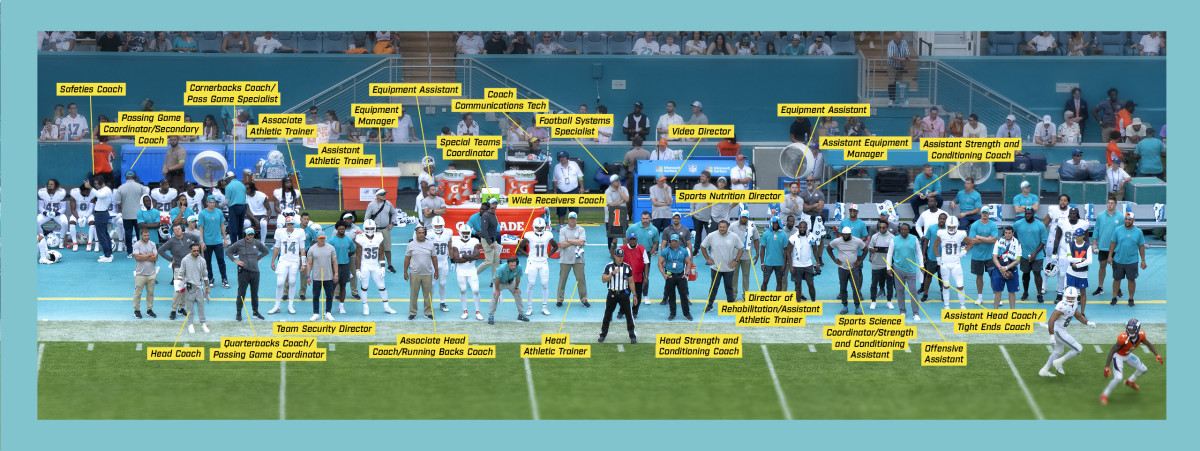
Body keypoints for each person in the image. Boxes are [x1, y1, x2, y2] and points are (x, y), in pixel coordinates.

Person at [1101, 319, 1163, 404]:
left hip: (1127, 355)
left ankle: (1129, 381)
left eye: (1133, 329)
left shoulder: (1141, 335)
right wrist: (1107, 366)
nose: (1130, 330)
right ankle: (1104, 394)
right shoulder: (1123, 338)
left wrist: (1157, 354)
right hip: (1118, 356)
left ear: (1137, 329)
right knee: (1118, 378)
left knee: (1143, 369)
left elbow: (1148, 344)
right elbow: (1112, 351)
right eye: (1129, 328)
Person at [1038, 287, 1096, 378]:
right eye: (1068, 297)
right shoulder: (1062, 306)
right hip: (1058, 331)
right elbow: (1050, 321)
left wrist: (1088, 322)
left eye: (1072, 297)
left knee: (1058, 351)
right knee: (1078, 348)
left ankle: (1044, 370)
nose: (1070, 299)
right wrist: (1052, 336)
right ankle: (1058, 362)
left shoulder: (1074, 303)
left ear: (1076, 297)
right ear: (1065, 296)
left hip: (1061, 331)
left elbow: (1079, 316)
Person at [223, 226, 268, 321]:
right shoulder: (239, 244)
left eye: (252, 234)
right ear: (245, 235)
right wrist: (236, 261)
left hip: (255, 272)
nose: (251, 236)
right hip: (243, 272)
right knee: (241, 293)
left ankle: (255, 312)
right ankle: (238, 313)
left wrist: (258, 257)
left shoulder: (257, 243)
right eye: (249, 234)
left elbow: (266, 251)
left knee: (254, 294)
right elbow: (228, 252)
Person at [267, 214, 306, 315]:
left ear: (293, 224)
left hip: (294, 260)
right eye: (288, 224)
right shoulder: (280, 232)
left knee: (292, 281)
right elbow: (276, 247)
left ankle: (290, 305)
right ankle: (277, 305)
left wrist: (304, 263)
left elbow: (302, 249)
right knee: (280, 282)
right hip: (283, 260)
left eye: (291, 224)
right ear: (286, 224)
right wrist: (272, 261)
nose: (290, 225)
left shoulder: (299, 232)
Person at [519, 217, 558, 316]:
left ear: (544, 227)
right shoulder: (529, 235)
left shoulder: (548, 235)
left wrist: (548, 255)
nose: (540, 229)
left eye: (541, 227)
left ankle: (544, 307)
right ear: (533, 227)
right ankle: (529, 307)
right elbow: (519, 247)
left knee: (545, 284)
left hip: (543, 263)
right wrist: (528, 255)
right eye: (538, 227)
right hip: (533, 263)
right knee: (531, 284)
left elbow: (556, 246)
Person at [701, 220, 742, 313]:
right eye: (720, 227)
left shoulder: (734, 236)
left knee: (729, 287)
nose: (722, 229)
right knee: (714, 287)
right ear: (718, 227)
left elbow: (741, 249)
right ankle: (710, 305)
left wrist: (735, 260)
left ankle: (730, 305)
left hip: (729, 268)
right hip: (716, 268)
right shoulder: (711, 235)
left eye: (724, 227)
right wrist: (707, 259)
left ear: (727, 227)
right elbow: (703, 246)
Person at [599, 249, 637, 344]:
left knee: (629, 315)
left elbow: (631, 282)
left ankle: (632, 335)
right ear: (614, 256)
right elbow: (603, 279)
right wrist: (612, 274)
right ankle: (603, 334)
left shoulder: (627, 267)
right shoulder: (609, 266)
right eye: (618, 256)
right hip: (612, 293)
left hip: (624, 294)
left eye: (621, 256)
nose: (620, 258)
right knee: (607, 314)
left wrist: (635, 295)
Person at [1107, 212, 1146, 307]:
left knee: (1131, 280)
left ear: (1133, 220)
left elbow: (1141, 247)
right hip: (1118, 260)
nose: (1127, 221)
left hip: (1132, 261)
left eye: (1129, 219)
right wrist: (1110, 256)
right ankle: (1114, 298)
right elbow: (1113, 243)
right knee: (1116, 279)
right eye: (1126, 219)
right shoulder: (1118, 230)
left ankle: (1131, 298)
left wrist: (1143, 260)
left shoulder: (1138, 232)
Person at [1051, 206, 1089, 301]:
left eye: (1074, 213)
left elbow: (1086, 239)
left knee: (1078, 272)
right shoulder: (1062, 223)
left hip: (1078, 251)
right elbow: (1057, 237)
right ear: (1068, 214)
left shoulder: (1083, 224)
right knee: (1062, 273)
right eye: (1071, 213)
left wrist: (1086, 252)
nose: (1072, 215)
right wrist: (1054, 251)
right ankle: (1060, 292)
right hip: (1064, 250)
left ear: (1078, 215)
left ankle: (1078, 293)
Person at [887, 223, 923, 318]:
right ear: (899, 230)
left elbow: (919, 253)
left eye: (905, 229)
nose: (903, 231)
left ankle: (916, 313)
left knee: (913, 291)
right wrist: (888, 267)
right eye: (901, 229)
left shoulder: (914, 239)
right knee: (899, 290)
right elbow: (890, 254)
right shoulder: (894, 240)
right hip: (898, 268)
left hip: (911, 269)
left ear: (909, 230)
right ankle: (902, 311)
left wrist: (921, 265)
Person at [828, 226, 867, 315]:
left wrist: (860, 261)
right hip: (842, 269)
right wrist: (835, 260)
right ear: (841, 234)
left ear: (850, 234)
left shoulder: (857, 241)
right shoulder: (837, 241)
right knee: (843, 288)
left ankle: (857, 307)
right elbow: (829, 248)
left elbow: (865, 249)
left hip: (853, 269)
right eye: (843, 235)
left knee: (855, 289)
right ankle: (845, 306)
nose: (845, 236)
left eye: (847, 235)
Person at [449, 223, 484, 321]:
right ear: (460, 232)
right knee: (463, 290)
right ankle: (465, 311)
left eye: (467, 232)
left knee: (476, 290)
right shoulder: (456, 242)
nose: (465, 234)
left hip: (471, 270)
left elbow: (477, 256)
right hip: (461, 270)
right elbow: (456, 259)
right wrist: (470, 257)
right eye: (463, 232)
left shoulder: (474, 241)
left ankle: (477, 311)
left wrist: (464, 256)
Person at [1013, 208, 1049, 303]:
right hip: (1024, 254)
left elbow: (1044, 241)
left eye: (1029, 213)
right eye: (1026, 213)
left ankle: (1039, 294)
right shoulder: (1018, 223)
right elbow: (1009, 231)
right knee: (1025, 273)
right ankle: (1025, 293)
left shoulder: (1040, 225)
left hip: (1038, 254)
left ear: (1033, 213)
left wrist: (1035, 253)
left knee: (1037, 273)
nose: (1027, 215)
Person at [555, 212, 590, 309]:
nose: (572, 220)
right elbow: (562, 245)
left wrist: (569, 240)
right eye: (570, 218)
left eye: (574, 218)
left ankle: (584, 299)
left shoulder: (581, 229)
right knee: (562, 280)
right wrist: (576, 241)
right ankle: (559, 299)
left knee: (581, 280)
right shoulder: (563, 230)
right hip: (565, 259)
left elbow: (582, 242)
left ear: (576, 219)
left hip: (579, 259)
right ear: (568, 219)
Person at [934, 216, 970, 309]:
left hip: (956, 263)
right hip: (945, 263)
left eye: (953, 227)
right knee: (946, 285)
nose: (951, 228)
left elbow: (971, 242)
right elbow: (935, 245)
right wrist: (938, 257)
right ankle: (946, 305)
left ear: (956, 226)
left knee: (960, 285)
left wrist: (964, 251)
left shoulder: (960, 234)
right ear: (946, 226)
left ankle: (962, 305)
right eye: (949, 227)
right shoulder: (941, 233)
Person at [967, 207, 999, 305]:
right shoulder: (975, 225)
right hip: (977, 256)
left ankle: (996, 297)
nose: (985, 215)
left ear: (989, 214)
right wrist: (987, 239)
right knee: (979, 277)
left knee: (993, 277)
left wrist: (979, 237)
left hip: (990, 256)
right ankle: (980, 297)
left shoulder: (993, 225)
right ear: (981, 214)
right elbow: (972, 240)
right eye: (983, 213)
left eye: (987, 213)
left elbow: (994, 240)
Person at [1092, 197, 1122, 299]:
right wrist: (1094, 244)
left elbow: (1122, 232)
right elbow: (1096, 230)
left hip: (1116, 248)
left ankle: (1118, 288)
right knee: (1102, 267)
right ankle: (1100, 287)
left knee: (1117, 269)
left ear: (1115, 204)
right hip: (1103, 247)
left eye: (1112, 203)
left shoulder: (1121, 217)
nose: (1110, 205)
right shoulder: (1100, 216)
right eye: (1108, 203)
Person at [659, 234, 693, 321]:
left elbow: (688, 263)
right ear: (670, 241)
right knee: (671, 296)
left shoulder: (684, 251)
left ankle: (687, 314)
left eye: (675, 241)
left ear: (678, 241)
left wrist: (687, 274)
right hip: (670, 276)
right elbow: (660, 263)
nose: (674, 242)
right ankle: (672, 314)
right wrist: (664, 274)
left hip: (681, 275)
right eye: (672, 241)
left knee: (684, 296)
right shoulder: (665, 251)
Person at [197, 195, 229, 288]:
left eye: (214, 202)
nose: (212, 204)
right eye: (210, 202)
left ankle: (224, 278)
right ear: (206, 203)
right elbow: (201, 228)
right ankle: (210, 278)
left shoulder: (219, 212)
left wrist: (225, 239)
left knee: (221, 261)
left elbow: (222, 226)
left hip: (218, 241)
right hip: (207, 242)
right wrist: (202, 242)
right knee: (207, 262)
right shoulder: (202, 214)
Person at [306, 231, 338, 321]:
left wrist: (336, 274)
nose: (322, 240)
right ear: (317, 239)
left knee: (329, 295)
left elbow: (335, 261)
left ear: (325, 238)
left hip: (328, 276)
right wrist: (308, 276)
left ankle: (328, 312)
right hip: (317, 277)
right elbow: (309, 263)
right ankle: (316, 313)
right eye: (320, 238)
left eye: (323, 238)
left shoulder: (331, 248)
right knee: (316, 295)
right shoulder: (312, 249)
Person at [364, 188, 398, 273]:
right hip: (375, 230)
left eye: (385, 194)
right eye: (382, 194)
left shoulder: (388, 203)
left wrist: (392, 223)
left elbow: (394, 213)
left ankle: (389, 265)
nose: (384, 196)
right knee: (375, 248)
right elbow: (366, 218)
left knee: (387, 248)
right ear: (377, 195)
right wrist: (369, 229)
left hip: (385, 229)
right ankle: (375, 265)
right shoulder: (371, 205)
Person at [180, 244, 211, 334]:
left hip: (199, 287)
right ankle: (190, 324)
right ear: (190, 250)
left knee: (201, 307)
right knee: (190, 308)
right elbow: (181, 274)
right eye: (194, 251)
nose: (196, 252)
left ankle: (203, 323)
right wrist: (179, 286)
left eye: (197, 250)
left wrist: (207, 287)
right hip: (189, 288)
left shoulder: (202, 260)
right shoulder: (185, 260)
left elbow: (205, 275)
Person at [917, 210, 948, 302]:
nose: (942, 220)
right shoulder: (931, 228)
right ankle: (925, 294)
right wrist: (923, 254)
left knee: (942, 277)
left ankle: (943, 293)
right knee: (928, 276)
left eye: (944, 219)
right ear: (938, 219)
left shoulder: (949, 229)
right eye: (940, 218)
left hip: (944, 258)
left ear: (946, 220)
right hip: (932, 257)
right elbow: (926, 241)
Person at [991, 226, 1023, 309]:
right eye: (1006, 233)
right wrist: (1001, 268)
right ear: (1004, 233)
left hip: (1012, 270)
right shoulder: (998, 241)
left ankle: (1012, 312)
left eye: (1009, 233)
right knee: (997, 292)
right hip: (999, 270)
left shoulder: (1018, 243)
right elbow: (995, 257)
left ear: (1013, 233)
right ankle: (995, 311)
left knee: (1012, 292)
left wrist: (1006, 268)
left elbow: (1018, 259)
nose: (1007, 235)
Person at [489, 257, 529, 325]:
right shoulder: (501, 268)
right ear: (508, 264)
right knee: (495, 297)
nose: (513, 267)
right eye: (511, 265)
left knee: (518, 295)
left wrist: (516, 288)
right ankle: (491, 316)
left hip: (510, 282)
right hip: (500, 283)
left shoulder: (519, 267)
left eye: (514, 265)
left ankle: (521, 314)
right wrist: (497, 290)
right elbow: (496, 280)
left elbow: (518, 278)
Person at [427, 216, 455, 313]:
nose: (438, 228)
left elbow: (450, 247)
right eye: (436, 226)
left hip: (443, 261)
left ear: (443, 225)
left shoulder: (448, 233)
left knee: (443, 283)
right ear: (433, 226)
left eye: (440, 226)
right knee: (432, 284)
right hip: (432, 261)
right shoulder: (429, 233)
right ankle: (429, 303)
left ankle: (442, 302)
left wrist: (453, 261)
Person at [866, 219, 895, 310]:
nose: (882, 229)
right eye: (880, 228)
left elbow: (895, 250)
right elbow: (870, 248)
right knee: (874, 284)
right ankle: (873, 301)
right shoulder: (874, 237)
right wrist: (873, 251)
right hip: (876, 264)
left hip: (888, 265)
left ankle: (889, 301)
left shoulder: (892, 237)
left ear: (887, 227)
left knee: (889, 284)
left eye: (883, 227)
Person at [618, 234, 649, 317]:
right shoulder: (622, 249)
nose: (632, 241)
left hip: (638, 278)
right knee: (624, 296)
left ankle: (634, 312)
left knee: (638, 296)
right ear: (628, 240)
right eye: (631, 239)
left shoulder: (642, 249)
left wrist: (646, 277)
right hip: (625, 279)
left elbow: (646, 263)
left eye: (634, 239)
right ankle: (621, 311)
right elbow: (618, 261)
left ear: (637, 240)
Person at [800, 176, 827, 270]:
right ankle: (806, 258)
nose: (809, 182)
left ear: (814, 182)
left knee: (821, 239)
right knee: (805, 239)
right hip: (806, 219)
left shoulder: (820, 194)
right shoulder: (802, 194)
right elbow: (803, 208)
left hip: (817, 218)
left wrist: (809, 206)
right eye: (807, 181)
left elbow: (820, 208)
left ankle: (819, 257)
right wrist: (814, 205)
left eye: (811, 180)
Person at [552, 151, 585, 225]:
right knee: (561, 211)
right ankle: (561, 226)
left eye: (563, 157)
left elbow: (580, 176)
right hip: (561, 192)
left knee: (574, 211)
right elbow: (555, 181)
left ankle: (573, 226)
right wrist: (554, 192)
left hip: (573, 191)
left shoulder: (574, 164)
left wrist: (582, 188)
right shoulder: (556, 167)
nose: (562, 159)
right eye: (560, 157)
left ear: (567, 157)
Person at [131, 229, 159, 319]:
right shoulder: (137, 244)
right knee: (137, 293)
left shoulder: (153, 244)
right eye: (145, 235)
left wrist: (143, 257)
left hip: (151, 273)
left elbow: (155, 258)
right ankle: (137, 310)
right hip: (140, 273)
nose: (146, 237)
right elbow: (137, 257)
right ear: (141, 235)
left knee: (150, 293)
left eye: (148, 235)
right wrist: (148, 255)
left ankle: (149, 310)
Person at [788, 220, 818, 302]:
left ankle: (813, 302)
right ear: (798, 228)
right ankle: (798, 303)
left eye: (804, 227)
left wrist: (818, 263)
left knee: (811, 284)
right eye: (800, 227)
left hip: (808, 265)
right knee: (797, 285)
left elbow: (815, 249)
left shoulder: (811, 236)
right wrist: (791, 266)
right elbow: (788, 252)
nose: (802, 229)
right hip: (796, 265)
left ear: (806, 228)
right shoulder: (793, 237)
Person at [37, 179, 69, 249]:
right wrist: (45, 213)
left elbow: (63, 208)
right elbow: (40, 207)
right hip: (46, 213)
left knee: (65, 222)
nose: (49, 185)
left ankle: (61, 240)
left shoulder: (61, 192)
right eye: (48, 184)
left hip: (57, 214)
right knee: (37, 221)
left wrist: (56, 213)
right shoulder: (42, 192)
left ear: (56, 186)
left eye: (51, 184)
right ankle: (42, 240)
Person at [759, 218, 789, 292]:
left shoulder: (784, 235)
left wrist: (784, 264)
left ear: (779, 223)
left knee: (779, 282)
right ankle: (762, 299)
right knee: (765, 281)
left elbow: (785, 250)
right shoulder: (766, 234)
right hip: (768, 263)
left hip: (780, 263)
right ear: (771, 223)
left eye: (776, 223)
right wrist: (762, 263)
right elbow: (762, 249)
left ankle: (777, 300)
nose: (775, 225)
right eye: (773, 223)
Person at [475, 199, 501, 284]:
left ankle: (494, 280)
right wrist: (490, 243)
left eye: (496, 204)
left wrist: (493, 241)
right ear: (489, 205)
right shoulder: (486, 216)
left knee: (496, 260)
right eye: (493, 204)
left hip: (494, 240)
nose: (494, 206)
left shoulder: (493, 215)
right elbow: (484, 231)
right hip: (487, 240)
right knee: (489, 261)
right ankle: (473, 275)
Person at [690, 171, 716, 251]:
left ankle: (711, 251)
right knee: (697, 234)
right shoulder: (696, 187)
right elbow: (692, 200)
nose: (701, 178)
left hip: (709, 217)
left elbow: (715, 203)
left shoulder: (713, 188)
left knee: (710, 235)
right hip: (697, 216)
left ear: (707, 178)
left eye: (703, 176)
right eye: (701, 176)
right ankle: (696, 250)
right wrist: (692, 211)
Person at [605, 174, 631, 249]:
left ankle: (626, 250)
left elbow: (627, 199)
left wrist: (620, 191)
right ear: (612, 182)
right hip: (611, 217)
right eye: (616, 180)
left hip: (623, 216)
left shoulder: (623, 189)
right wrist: (621, 201)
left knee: (625, 235)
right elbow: (611, 204)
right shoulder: (608, 191)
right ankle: (612, 251)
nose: (618, 182)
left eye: (618, 180)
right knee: (612, 236)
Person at [886, 32, 910, 106]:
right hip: (892, 66)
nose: (899, 40)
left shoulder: (904, 42)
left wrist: (907, 57)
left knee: (900, 83)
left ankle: (900, 100)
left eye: (900, 38)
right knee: (892, 82)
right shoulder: (891, 44)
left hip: (900, 66)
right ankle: (891, 100)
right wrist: (900, 59)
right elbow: (890, 56)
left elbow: (907, 52)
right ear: (894, 37)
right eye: (898, 38)